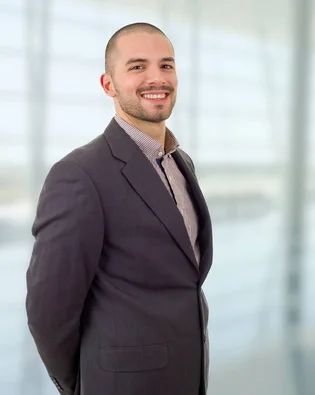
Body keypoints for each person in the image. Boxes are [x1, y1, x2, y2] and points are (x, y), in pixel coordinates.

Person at [25, 22, 213, 395]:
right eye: (137, 67)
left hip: (186, 377)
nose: (156, 78)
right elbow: (49, 309)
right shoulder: (80, 174)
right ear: (108, 84)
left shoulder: (181, 163)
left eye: (166, 65)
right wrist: (79, 384)